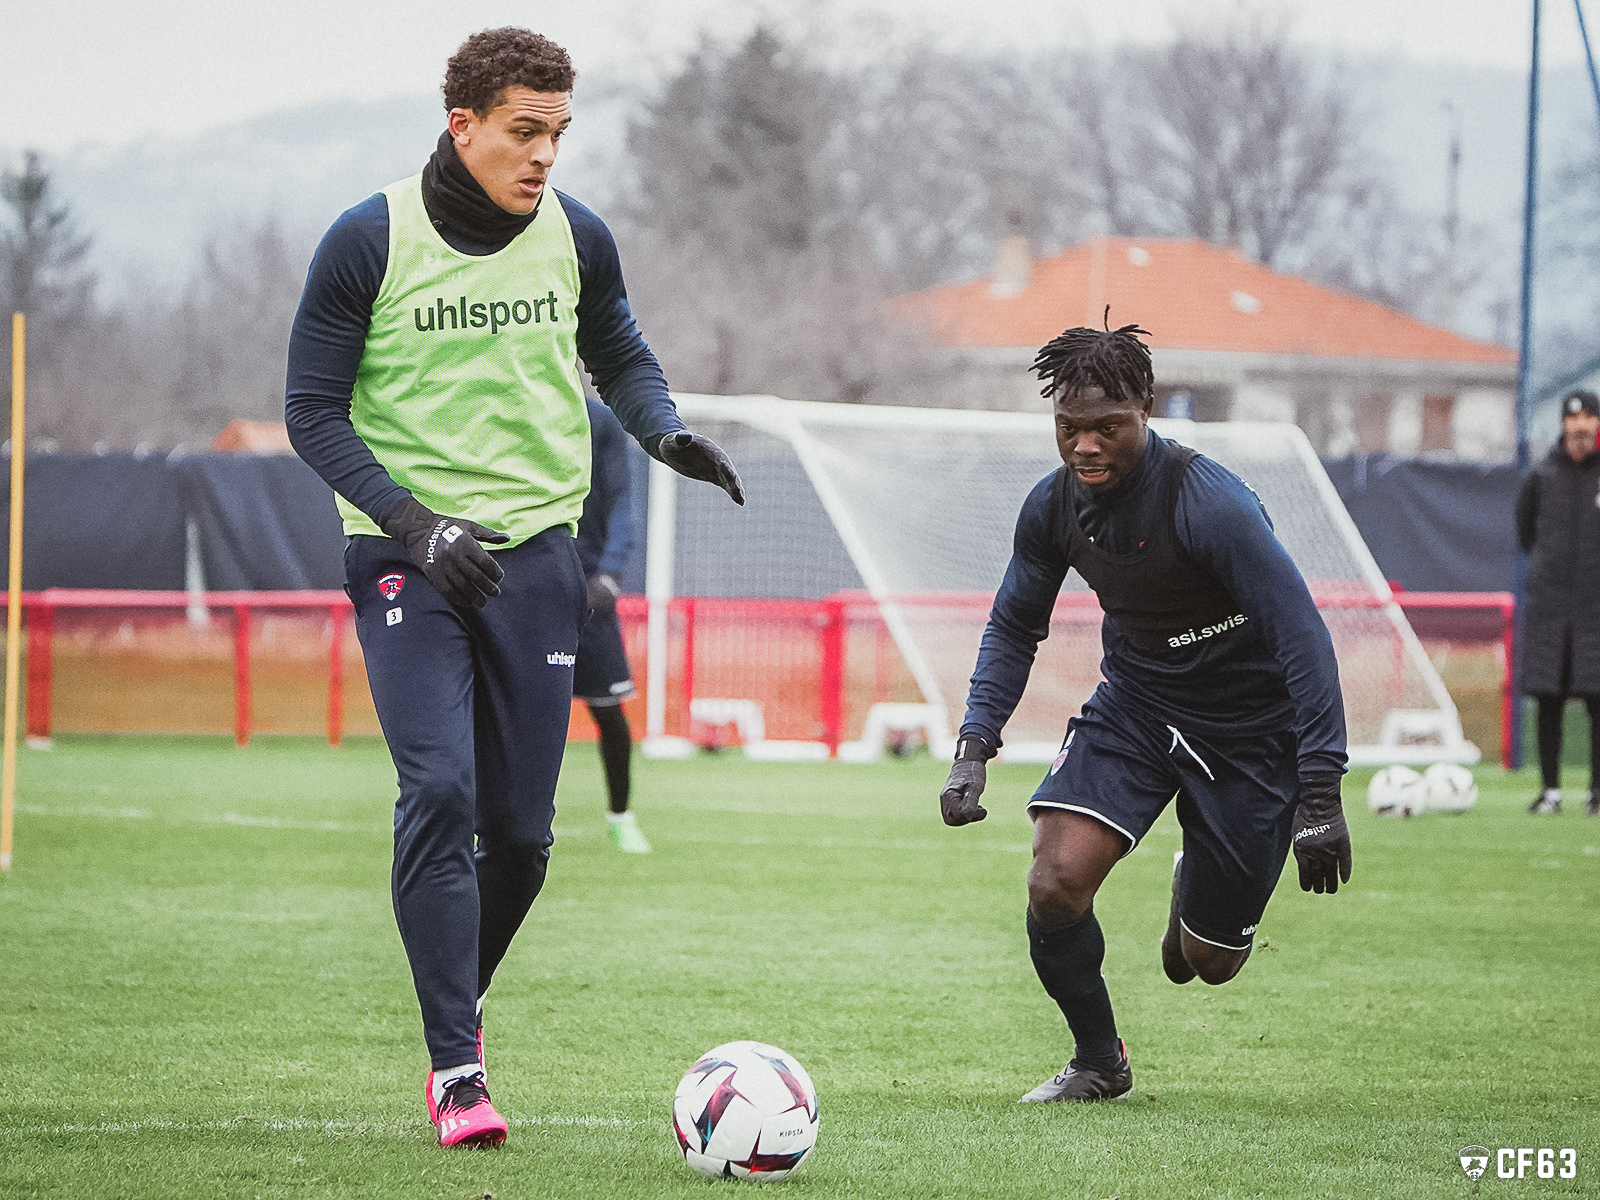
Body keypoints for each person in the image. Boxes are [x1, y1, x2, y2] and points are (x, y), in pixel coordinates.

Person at [284, 28, 743, 1148]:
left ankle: (457, 1005)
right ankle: (456, 1070)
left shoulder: (577, 235)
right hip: (407, 557)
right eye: (525, 132)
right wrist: (411, 520)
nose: (544, 155)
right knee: (436, 791)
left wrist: (664, 430)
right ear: (465, 127)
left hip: (539, 556)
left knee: (523, 839)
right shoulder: (366, 240)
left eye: (559, 134)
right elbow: (311, 411)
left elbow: (621, 355)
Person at [938, 321, 1350, 1103]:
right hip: (1137, 707)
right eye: (1069, 429)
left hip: (1249, 735)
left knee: (1207, 963)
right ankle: (1099, 1061)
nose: (1085, 446)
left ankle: (1196, 878)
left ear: (1146, 410)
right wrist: (974, 744)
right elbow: (1013, 624)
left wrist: (1320, 793)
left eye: (1106, 428)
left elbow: (1303, 638)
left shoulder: (1211, 504)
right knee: (1053, 881)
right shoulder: (1053, 506)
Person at [1514, 388, 1600, 817]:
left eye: (1589, 419)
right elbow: (1525, 531)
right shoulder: (1542, 475)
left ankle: (1596, 794)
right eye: (1574, 419)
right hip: (1551, 607)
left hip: (1596, 610)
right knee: (1548, 698)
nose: (1581, 427)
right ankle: (1550, 791)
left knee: (1597, 699)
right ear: (1564, 425)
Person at [576, 397, 649, 853]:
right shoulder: (512, 405)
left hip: (589, 592)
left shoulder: (599, 422)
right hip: (526, 582)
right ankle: (497, 818)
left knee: (609, 712)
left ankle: (621, 815)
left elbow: (621, 499)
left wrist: (609, 574)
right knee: (510, 714)